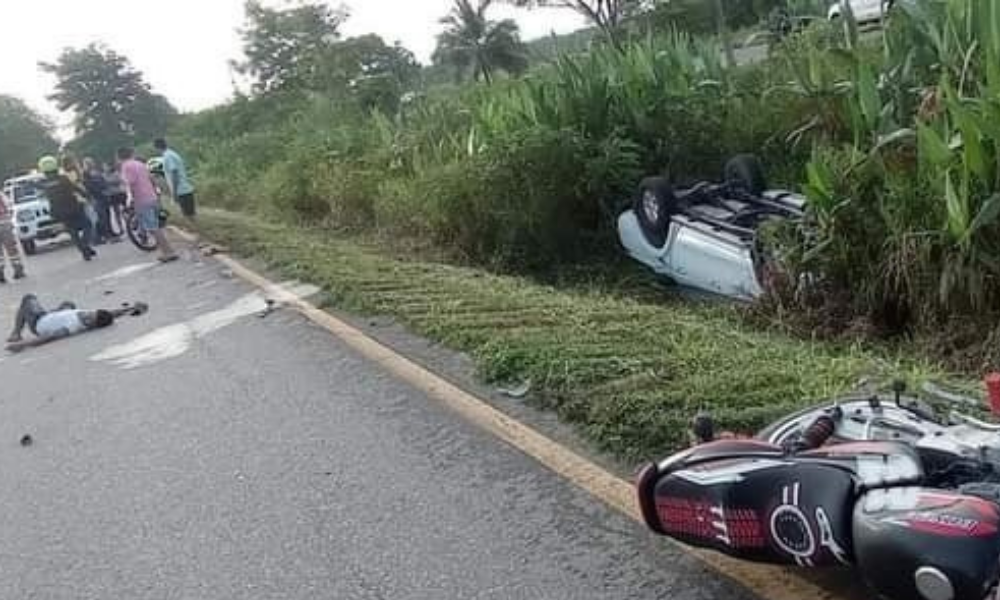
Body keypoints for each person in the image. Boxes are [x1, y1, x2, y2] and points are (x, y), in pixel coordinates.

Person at [6, 294, 147, 353]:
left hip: (39, 322)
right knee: (68, 304)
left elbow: (49, 338)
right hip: (54, 316)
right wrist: (132, 308)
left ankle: (16, 332)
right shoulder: (90, 315)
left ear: (90, 324)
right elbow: (113, 313)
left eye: (89, 317)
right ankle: (54, 313)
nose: (87, 313)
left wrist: (22, 345)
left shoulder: (72, 326)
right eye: (91, 313)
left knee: (28, 299)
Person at [118, 146, 178, 263]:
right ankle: (167, 250)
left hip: (142, 200)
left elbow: (129, 184)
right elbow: (151, 178)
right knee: (157, 226)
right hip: (152, 197)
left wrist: (128, 200)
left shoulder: (126, 166)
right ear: (132, 153)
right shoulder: (140, 164)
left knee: (152, 228)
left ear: (119, 157)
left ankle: (168, 252)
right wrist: (157, 192)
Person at [37, 155, 97, 261]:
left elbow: (41, 194)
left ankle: (84, 250)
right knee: (88, 225)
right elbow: (75, 188)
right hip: (73, 207)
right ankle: (85, 245)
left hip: (59, 211)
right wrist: (87, 195)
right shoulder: (62, 178)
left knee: (72, 231)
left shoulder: (43, 183)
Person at [154, 139, 197, 222]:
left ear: (157, 148)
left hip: (181, 189)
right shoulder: (172, 153)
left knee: (188, 215)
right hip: (184, 188)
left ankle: (196, 230)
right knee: (189, 214)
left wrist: (174, 192)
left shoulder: (167, 156)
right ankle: (196, 228)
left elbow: (174, 173)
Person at [82, 157, 117, 244]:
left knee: (107, 216)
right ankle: (103, 236)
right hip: (96, 198)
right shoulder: (85, 174)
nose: (90, 164)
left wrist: (105, 189)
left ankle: (110, 233)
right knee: (101, 218)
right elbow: (89, 186)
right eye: (88, 163)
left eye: (91, 162)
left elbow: (103, 182)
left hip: (103, 196)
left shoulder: (96, 173)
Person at [0, 190, 26, 282]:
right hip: (5, 225)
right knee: (12, 250)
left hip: (4, 224)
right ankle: (18, 269)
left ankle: (1, 274)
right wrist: (9, 220)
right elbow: (10, 206)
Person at [103, 162, 128, 235]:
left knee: (125, 210)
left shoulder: (116, 173)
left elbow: (119, 181)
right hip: (112, 195)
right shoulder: (104, 175)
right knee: (116, 212)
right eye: (104, 167)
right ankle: (121, 228)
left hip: (119, 193)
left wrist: (108, 182)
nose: (105, 168)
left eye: (106, 166)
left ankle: (129, 223)